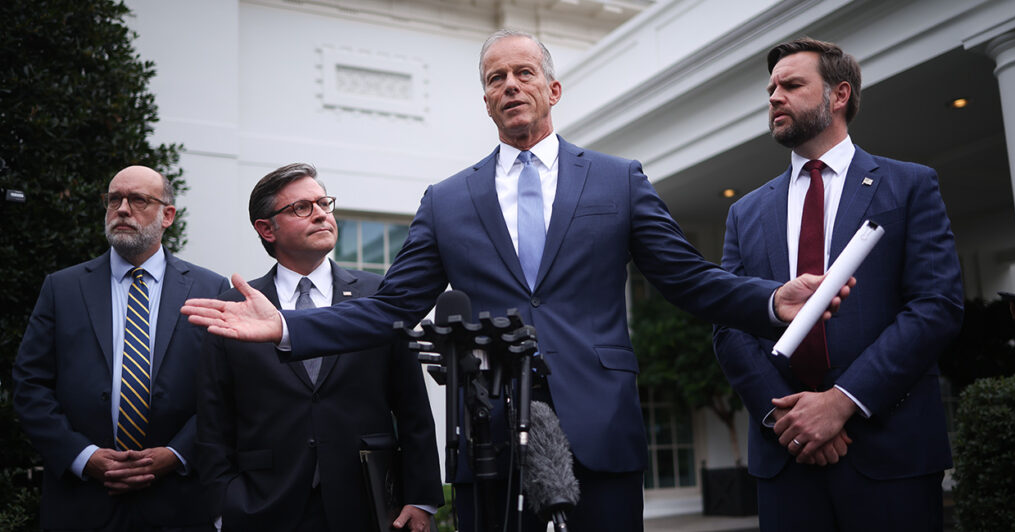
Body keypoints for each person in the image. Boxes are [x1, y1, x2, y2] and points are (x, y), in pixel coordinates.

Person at [181, 30, 850, 532]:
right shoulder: (447, 200)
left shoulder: (617, 179)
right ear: (485, 99)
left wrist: (767, 300)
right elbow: (390, 308)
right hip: (490, 429)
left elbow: (686, 278)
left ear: (552, 90)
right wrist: (287, 326)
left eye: (523, 72)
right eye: (495, 77)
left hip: (599, 423)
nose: (509, 85)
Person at [713, 38, 963, 531]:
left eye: (791, 85)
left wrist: (841, 401)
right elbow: (730, 327)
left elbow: (936, 306)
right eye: (770, 89)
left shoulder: (909, 185)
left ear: (839, 94)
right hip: (786, 459)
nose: (774, 97)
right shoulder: (745, 212)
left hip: (891, 453)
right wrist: (787, 422)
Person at [194, 163, 443, 532]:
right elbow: (214, 420)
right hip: (264, 505)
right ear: (266, 229)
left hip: (369, 501)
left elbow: (412, 406)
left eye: (324, 203)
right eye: (301, 208)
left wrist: (421, 497)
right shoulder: (235, 309)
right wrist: (222, 508)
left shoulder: (380, 297)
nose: (321, 215)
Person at [13, 166, 229, 531]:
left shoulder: (211, 288)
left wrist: (177, 454)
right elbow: (29, 385)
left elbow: (225, 391)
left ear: (168, 215)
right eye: (114, 199)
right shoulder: (62, 288)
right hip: (81, 502)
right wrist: (85, 457)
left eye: (138, 200)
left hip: (179, 500)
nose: (123, 209)